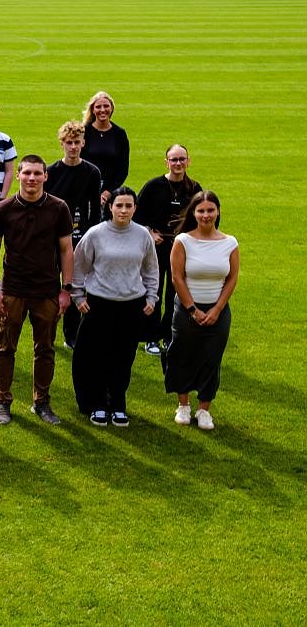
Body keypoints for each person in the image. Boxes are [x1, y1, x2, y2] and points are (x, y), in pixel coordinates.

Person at [0, 155, 75, 426]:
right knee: (5, 347)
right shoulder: (3, 209)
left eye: (37, 173)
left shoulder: (59, 208)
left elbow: (66, 250)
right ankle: (2, 400)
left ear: (45, 176)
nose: (32, 178)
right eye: (27, 173)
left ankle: (42, 402)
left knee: (45, 349)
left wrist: (66, 289)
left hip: (47, 291)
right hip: (13, 290)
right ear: (19, 176)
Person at [71, 186, 159, 427]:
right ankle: (98, 403)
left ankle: (118, 403)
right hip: (99, 305)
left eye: (128, 206)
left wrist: (151, 298)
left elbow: (151, 269)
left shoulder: (142, 236)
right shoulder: (96, 234)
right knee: (96, 356)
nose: (123, 210)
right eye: (119, 205)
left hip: (131, 306)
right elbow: (79, 266)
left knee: (123, 357)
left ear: (135, 208)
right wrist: (78, 296)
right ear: (110, 207)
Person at [165, 191, 239, 431]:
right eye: (201, 211)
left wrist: (217, 309)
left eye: (210, 210)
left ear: (218, 212)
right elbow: (177, 277)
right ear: (194, 213)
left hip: (218, 310)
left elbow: (232, 277)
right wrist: (192, 309)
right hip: (187, 308)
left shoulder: (230, 243)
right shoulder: (183, 241)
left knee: (212, 357)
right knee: (183, 354)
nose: (206, 215)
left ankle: (204, 409)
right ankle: (183, 405)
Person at [135, 144, 203, 357]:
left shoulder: (194, 188)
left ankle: (169, 334)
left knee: (176, 292)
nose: (178, 163)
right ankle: (150, 337)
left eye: (182, 159)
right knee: (153, 291)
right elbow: (136, 216)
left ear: (188, 161)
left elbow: (201, 217)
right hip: (156, 247)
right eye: (174, 159)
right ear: (166, 162)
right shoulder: (153, 186)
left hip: (181, 249)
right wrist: (149, 233)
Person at [47, 121, 103, 348]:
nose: (73, 147)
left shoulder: (91, 172)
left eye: (76, 142)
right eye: (69, 142)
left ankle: (72, 333)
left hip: (80, 237)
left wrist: (91, 238)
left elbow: (95, 210)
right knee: (52, 285)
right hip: (54, 238)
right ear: (62, 143)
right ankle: (48, 330)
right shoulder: (51, 172)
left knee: (75, 285)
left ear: (83, 143)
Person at [81, 91, 130, 219]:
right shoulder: (84, 132)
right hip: (86, 189)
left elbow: (123, 169)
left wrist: (107, 193)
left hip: (110, 191)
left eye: (106, 106)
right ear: (93, 110)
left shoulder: (119, 134)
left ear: (112, 108)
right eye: (98, 107)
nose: (102, 110)